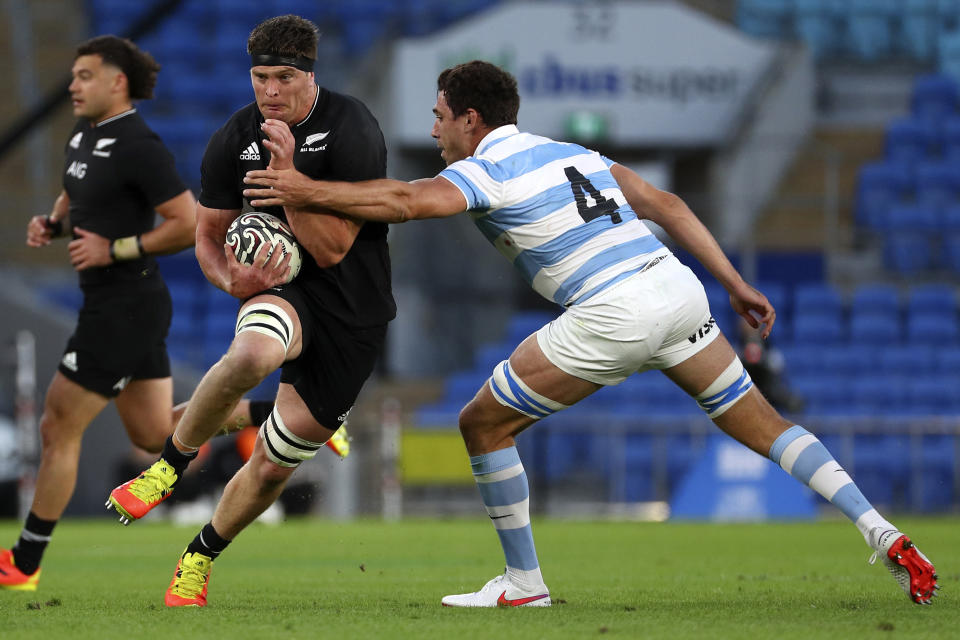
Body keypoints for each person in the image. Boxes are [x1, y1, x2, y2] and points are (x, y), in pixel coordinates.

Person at [242, 60, 940, 607]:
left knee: (482, 425)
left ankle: (523, 582)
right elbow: (666, 204)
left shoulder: (485, 169)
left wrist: (302, 190)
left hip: (616, 309)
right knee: (765, 424)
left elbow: (404, 201)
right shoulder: (571, 152)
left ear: (470, 119)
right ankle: (880, 532)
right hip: (675, 287)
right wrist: (733, 283)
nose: (434, 132)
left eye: (439, 119)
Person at [107, 15, 394, 607]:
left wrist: (288, 180)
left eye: (283, 77)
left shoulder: (351, 127)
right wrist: (231, 279)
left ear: (311, 76)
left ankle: (198, 556)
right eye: (260, 77)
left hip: (351, 305)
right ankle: (167, 468)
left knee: (272, 465)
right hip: (280, 289)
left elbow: (333, 249)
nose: (269, 91)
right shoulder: (234, 137)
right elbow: (207, 236)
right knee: (254, 349)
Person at [0, 36, 197, 592]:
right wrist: (54, 221)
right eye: (73, 75)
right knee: (155, 432)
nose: (72, 85)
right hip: (120, 304)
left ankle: (25, 562)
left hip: (124, 305)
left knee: (56, 423)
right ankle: (285, 417)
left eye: (85, 75)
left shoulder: (141, 145)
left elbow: (186, 221)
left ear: (117, 83)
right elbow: (75, 186)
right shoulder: (84, 133)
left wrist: (117, 249)